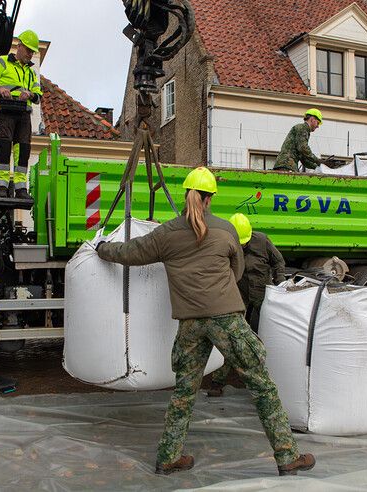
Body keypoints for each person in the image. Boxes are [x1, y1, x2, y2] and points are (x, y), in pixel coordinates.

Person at [94, 167, 315, 477]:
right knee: (261, 386)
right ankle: (287, 456)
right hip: (227, 319)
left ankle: (168, 457)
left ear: (186, 195)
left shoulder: (165, 234)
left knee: (184, 391)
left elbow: (129, 253)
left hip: (190, 324)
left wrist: (101, 248)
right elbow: (236, 272)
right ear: (210, 198)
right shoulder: (226, 231)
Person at [208, 213, 286, 397]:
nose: (242, 245)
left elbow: (278, 261)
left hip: (262, 295)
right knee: (233, 338)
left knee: (272, 334)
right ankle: (217, 382)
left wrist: (280, 281)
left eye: (244, 242)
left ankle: (276, 378)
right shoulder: (225, 243)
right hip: (239, 296)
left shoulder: (262, 240)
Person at [0, 30, 43, 199]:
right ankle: (1, 187)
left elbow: (38, 95)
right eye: (28, 50)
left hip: (23, 113)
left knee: (23, 150)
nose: (30, 54)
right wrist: (0, 89)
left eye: (33, 52)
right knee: (4, 146)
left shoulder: (32, 73)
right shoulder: (2, 62)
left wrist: (29, 94)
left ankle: (20, 188)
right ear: (20, 46)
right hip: (6, 111)